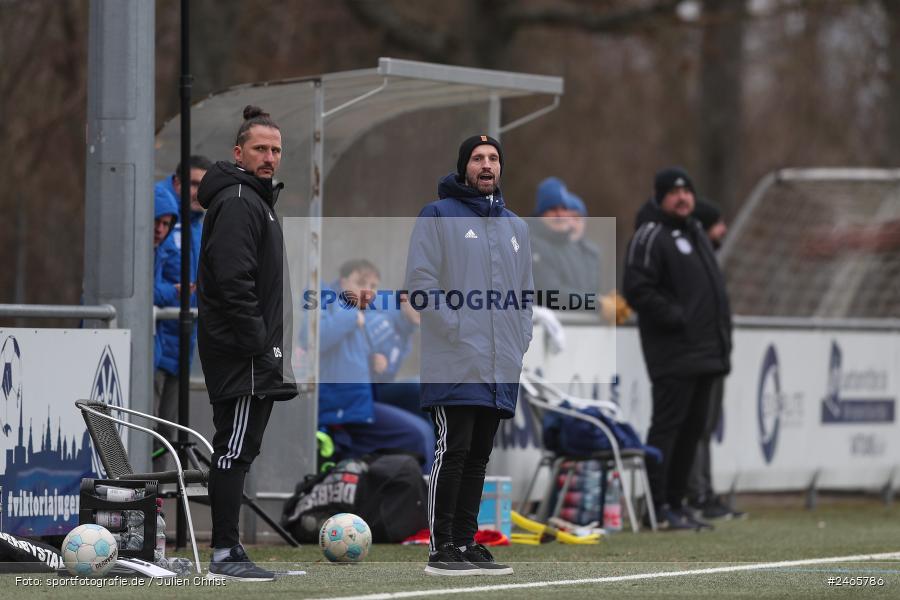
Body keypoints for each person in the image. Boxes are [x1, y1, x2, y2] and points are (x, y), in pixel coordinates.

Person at [406, 134, 533, 576]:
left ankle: (465, 540)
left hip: (500, 363)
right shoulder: (437, 215)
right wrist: (459, 330)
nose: (486, 165)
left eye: (493, 158)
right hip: (455, 360)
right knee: (453, 450)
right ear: (464, 168)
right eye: (478, 159)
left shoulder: (516, 227)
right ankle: (441, 547)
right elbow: (421, 285)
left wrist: (521, 341)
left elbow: (524, 295)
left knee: (479, 455)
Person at [196, 105, 298, 581]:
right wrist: (259, 344)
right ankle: (224, 552)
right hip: (242, 354)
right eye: (261, 148)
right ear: (238, 152)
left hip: (254, 353)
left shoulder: (256, 200)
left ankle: (228, 549)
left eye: (276, 150)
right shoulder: (239, 199)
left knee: (240, 448)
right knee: (234, 450)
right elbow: (234, 282)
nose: (270, 157)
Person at [623, 168, 732, 531]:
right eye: (674, 192)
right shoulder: (650, 235)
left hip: (705, 353)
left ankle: (676, 502)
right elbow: (637, 289)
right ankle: (655, 508)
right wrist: (676, 317)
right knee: (668, 428)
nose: (683, 198)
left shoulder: (696, 231)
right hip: (673, 353)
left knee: (692, 430)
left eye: (687, 192)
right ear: (659, 196)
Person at [314, 259, 435, 473]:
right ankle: (427, 494)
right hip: (345, 405)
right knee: (420, 417)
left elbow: (362, 367)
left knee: (425, 399)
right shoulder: (370, 318)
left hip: (360, 398)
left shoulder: (400, 330)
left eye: (372, 287)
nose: (367, 292)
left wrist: (378, 366)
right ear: (343, 282)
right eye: (361, 283)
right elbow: (317, 341)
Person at [684, 199, 743, 520]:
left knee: (705, 429)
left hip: (715, 356)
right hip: (699, 357)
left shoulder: (709, 261)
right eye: (718, 223)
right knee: (696, 428)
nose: (724, 230)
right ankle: (697, 494)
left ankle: (705, 491)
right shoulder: (694, 261)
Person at [153, 155, 211, 467]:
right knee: (142, 430)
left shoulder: (199, 225)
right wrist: (173, 293)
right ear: (176, 182)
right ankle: (138, 504)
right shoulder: (157, 214)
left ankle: (156, 504)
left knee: (166, 434)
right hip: (154, 341)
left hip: (182, 344)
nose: (199, 192)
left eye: (205, 186)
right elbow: (139, 284)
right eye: (193, 183)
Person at [529, 177, 600, 310]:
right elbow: (549, 293)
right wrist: (597, 304)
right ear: (541, 214)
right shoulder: (531, 245)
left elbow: (585, 289)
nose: (560, 214)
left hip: (576, 327)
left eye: (564, 208)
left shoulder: (572, 247)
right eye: (553, 209)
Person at [152, 192, 179, 370]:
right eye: (156, 221)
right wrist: (174, 291)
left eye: (166, 224)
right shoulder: (131, 252)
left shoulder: (158, 252)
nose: (160, 230)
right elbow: (142, 294)